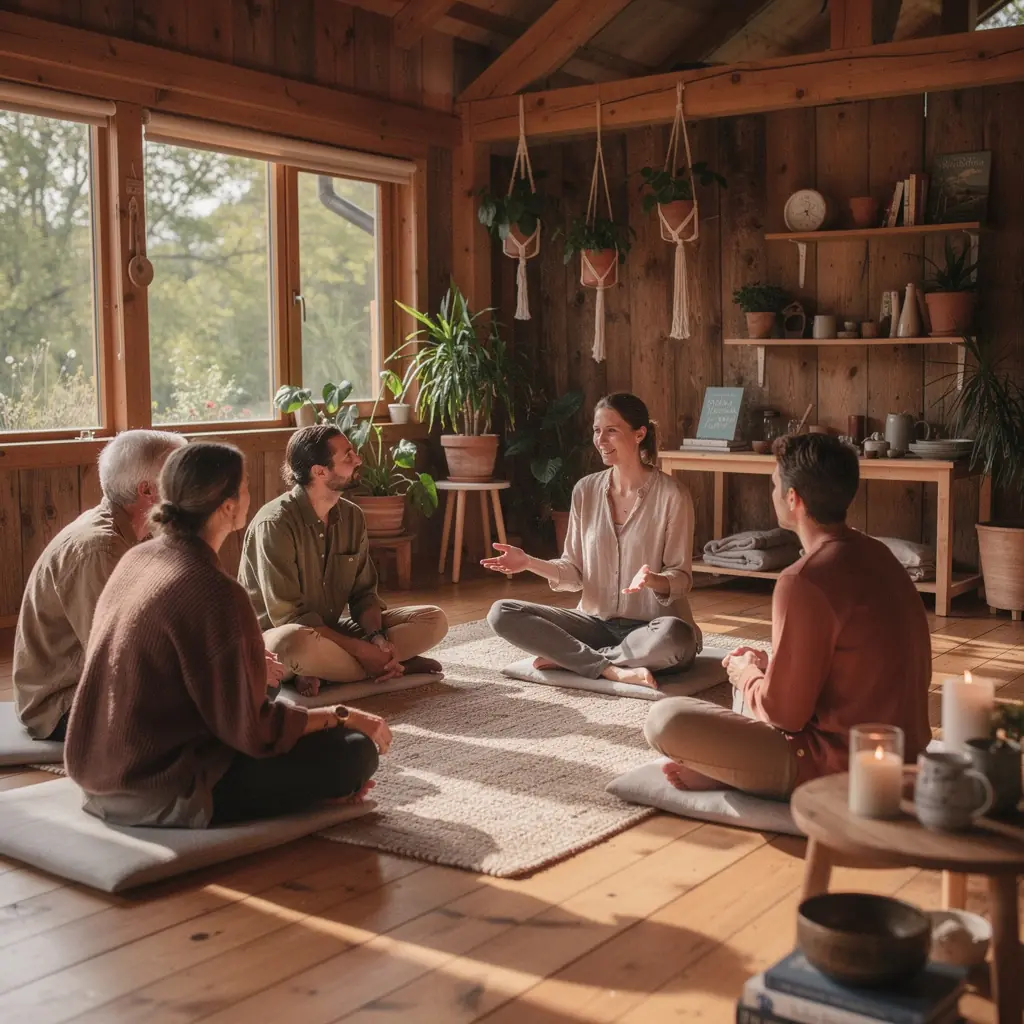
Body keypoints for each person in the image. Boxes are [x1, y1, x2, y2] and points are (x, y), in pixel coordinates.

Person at [65, 442, 388, 827]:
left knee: (294, 710)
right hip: (163, 788)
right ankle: (326, 787)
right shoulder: (215, 589)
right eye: (246, 485)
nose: (250, 494)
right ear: (228, 506)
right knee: (353, 751)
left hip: (101, 776)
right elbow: (254, 730)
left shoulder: (138, 558)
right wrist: (343, 715)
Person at [644, 432, 932, 799]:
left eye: (775, 484)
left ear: (793, 499)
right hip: (904, 751)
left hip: (837, 767)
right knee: (746, 687)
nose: (774, 492)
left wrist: (748, 674)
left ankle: (735, 773)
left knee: (665, 720)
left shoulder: (803, 579)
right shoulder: (880, 555)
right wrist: (768, 670)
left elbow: (784, 716)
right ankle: (732, 769)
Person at [483, 392, 701, 690]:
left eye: (611, 431)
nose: (601, 440)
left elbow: (681, 579)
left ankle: (574, 659)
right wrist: (528, 563)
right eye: (597, 431)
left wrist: (654, 580)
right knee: (502, 612)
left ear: (639, 434)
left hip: (652, 627)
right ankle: (612, 667)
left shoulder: (672, 496)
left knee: (678, 637)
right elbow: (573, 573)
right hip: (593, 624)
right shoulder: (585, 491)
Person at [238, 425, 448, 695]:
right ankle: (387, 665)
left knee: (433, 620)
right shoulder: (275, 523)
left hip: (330, 634)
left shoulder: (352, 517)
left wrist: (377, 639)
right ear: (320, 471)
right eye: (348, 455)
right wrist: (362, 651)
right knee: (292, 643)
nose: (358, 459)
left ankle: (330, 672)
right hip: (278, 639)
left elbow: (364, 595)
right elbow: (290, 618)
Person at [13, 429, 187, 741]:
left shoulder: (135, 532)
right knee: (202, 719)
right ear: (148, 490)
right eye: (180, 474)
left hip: (103, 681)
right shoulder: (99, 550)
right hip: (63, 701)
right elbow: (119, 653)